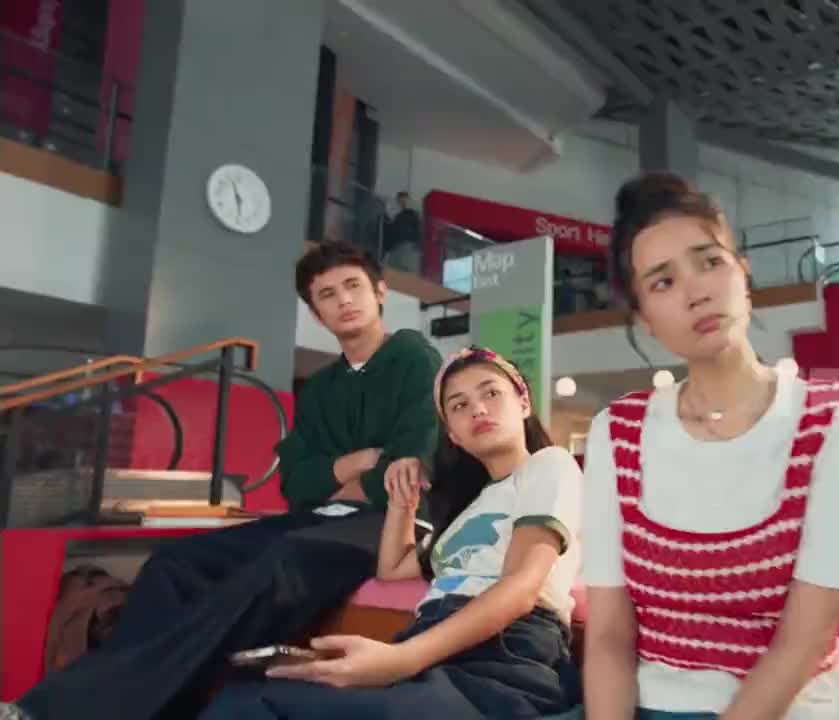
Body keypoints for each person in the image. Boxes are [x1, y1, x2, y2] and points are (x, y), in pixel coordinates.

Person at [0, 244, 443, 720]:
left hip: (390, 524)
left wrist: (335, 477)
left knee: (277, 565)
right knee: (171, 563)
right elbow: (296, 484)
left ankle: (56, 710)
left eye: (353, 286)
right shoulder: (319, 389)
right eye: (328, 295)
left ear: (380, 293)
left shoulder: (414, 358)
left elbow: (401, 477)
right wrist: (356, 462)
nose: (344, 301)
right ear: (316, 315)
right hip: (318, 517)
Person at [582, 173, 839, 720]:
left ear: (743, 272)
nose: (697, 290)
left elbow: (803, 642)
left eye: (709, 261)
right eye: (663, 282)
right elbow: (607, 636)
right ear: (644, 319)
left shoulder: (836, 421)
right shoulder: (617, 430)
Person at [200, 346, 584, 719]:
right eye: (459, 405)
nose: (478, 409)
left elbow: (521, 587)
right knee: (244, 698)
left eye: (491, 393)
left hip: (504, 659)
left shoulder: (549, 464)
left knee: (254, 707)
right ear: (452, 434)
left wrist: (403, 659)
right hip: (435, 652)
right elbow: (394, 568)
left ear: (523, 404)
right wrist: (403, 501)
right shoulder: (471, 509)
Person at [382, 191, 422, 274]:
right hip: (397, 247)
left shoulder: (412, 214)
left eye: (404, 200)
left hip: (407, 246)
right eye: (400, 200)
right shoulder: (398, 216)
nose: (402, 202)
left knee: (405, 270)